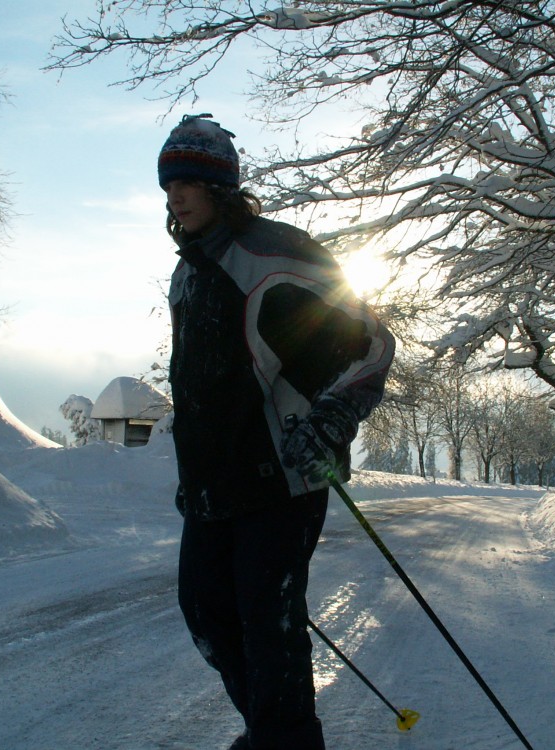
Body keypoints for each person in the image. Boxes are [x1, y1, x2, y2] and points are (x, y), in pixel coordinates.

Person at [158, 113, 395, 750]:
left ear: (221, 188)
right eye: (169, 184)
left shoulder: (275, 255)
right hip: (213, 484)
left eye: (188, 182)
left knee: (269, 625)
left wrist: (331, 420)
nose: (176, 196)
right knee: (208, 616)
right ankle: (269, 731)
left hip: (282, 478)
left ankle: (287, 742)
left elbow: (370, 341)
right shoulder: (187, 273)